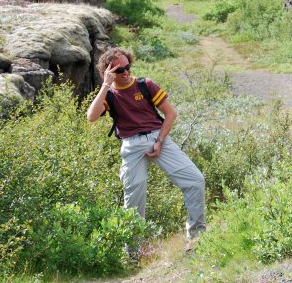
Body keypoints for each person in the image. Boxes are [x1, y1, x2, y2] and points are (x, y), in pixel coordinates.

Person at [87, 47, 206, 240]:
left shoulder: (145, 84)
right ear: (108, 72)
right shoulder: (109, 95)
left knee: (195, 180)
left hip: (158, 138)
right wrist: (105, 86)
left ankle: (197, 237)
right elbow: (91, 116)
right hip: (131, 146)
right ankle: (134, 252)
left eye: (128, 67)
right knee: (133, 201)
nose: (125, 72)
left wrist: (159, 141)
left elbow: (171, 113)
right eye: (118, 70)